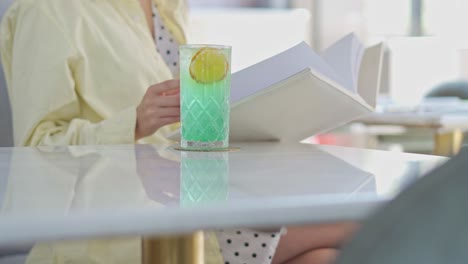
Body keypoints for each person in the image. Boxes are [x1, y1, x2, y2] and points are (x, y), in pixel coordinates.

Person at [0, 0, 357, 263]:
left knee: (324, 257)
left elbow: (181, 127)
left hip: (196, 209)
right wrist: (133, 123)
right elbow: (36, 150)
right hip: (124, 233)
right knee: (353, 226)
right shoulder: (45, 10)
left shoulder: (168, 9)